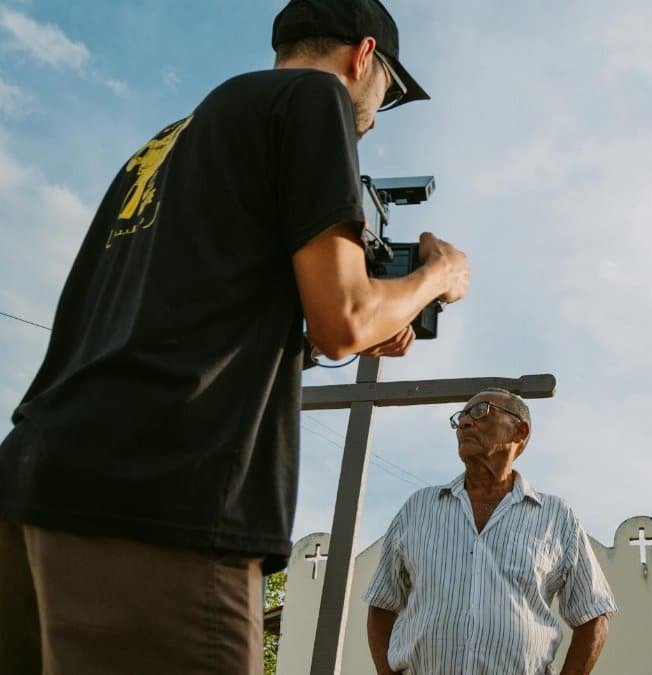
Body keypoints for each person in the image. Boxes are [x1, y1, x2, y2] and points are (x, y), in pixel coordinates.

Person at [0, 1, 470, 672]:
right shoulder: (313, 98)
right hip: (159, 502)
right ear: (364, 56)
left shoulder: (172, 140)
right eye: (387, 93)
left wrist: (340, 326)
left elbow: (199, 313)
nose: (374, 111)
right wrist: (435, 277)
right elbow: (344, 322)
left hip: (37, 484)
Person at [363, 388, 616, 675]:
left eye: (480, 412)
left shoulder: (557, 517)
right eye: (461, 417)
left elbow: (593, 614)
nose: (465, 423)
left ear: (519, 432)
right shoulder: (418, 508)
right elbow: (382, 603)